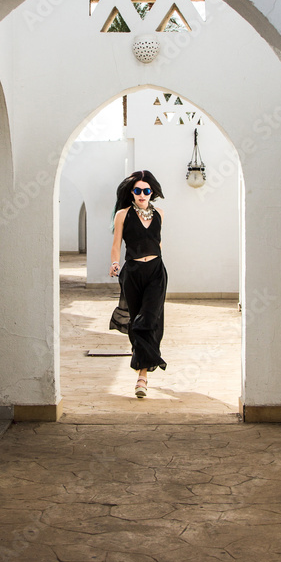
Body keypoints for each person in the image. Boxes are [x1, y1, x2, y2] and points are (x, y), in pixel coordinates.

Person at [109, 170, 167, 398]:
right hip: (132, 272)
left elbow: (158, 243)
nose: (142, 194)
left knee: (149, 319)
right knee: (136, 322)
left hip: (156, 273)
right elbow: (116, 244)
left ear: (152, 192)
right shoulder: (122, 215)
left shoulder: (160, 213)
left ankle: (142, 376)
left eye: (146, 190)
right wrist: (115, 263)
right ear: (131, 192)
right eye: (137, 190)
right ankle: (145, 367)